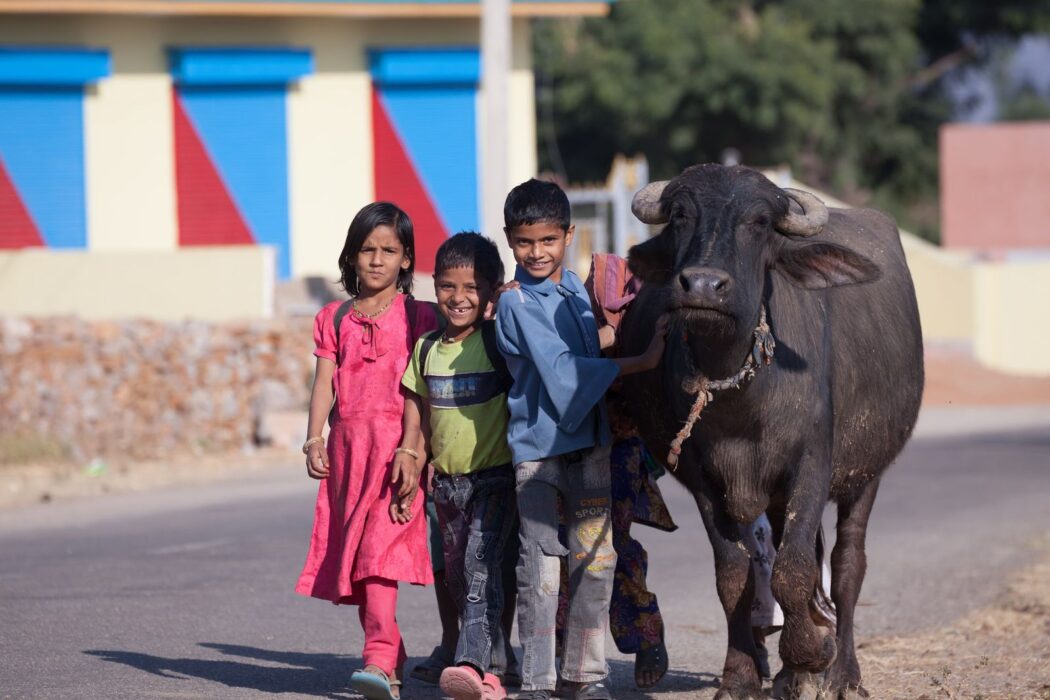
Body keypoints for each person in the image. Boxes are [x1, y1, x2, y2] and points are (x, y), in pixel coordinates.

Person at [494, 179, 669, 700]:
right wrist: (642, 361)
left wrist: (635, 328)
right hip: (540, 456)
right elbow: (564, 371)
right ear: (509, 241)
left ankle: (585, 676)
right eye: (525, 243)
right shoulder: (515, 303)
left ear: (569, 235)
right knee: (542, 570)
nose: (537, 252)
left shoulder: (572, 290)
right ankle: (538, 681)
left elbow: (585, 343)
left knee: (596, 564)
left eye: (547, 240)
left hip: (590, 449)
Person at [295, 202, 437, 700]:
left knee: (379, 554)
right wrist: (314, 438)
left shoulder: (421, 317)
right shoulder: (333, 318)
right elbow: (323, 386)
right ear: (352, 257)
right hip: (348, 456)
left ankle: (376, 660)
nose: (377, 260)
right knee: (357, 561)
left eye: (389, 250)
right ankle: (390, 658)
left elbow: (423, 390)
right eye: (367, 249)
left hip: (400, 453)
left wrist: (414, 452)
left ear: (406, 258)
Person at [395, 233, 519, 700]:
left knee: (482, 566)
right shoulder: (426, 349)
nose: (458, 298)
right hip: (445, 487)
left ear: (490, 290)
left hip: (494, 479)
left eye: (472, 288)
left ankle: (472, 664)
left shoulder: (496, 341)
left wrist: (509, 299)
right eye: (447, 286)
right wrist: (410, 460)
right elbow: (420, 419)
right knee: (455, 573)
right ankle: (493, 660)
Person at [584, 253, 678, 690]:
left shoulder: (647, 328)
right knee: (561, 558)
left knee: (614, 546)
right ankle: (571, 664)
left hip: (619, 449)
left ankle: (646, 636)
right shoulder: (558, 311)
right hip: (563, 450)